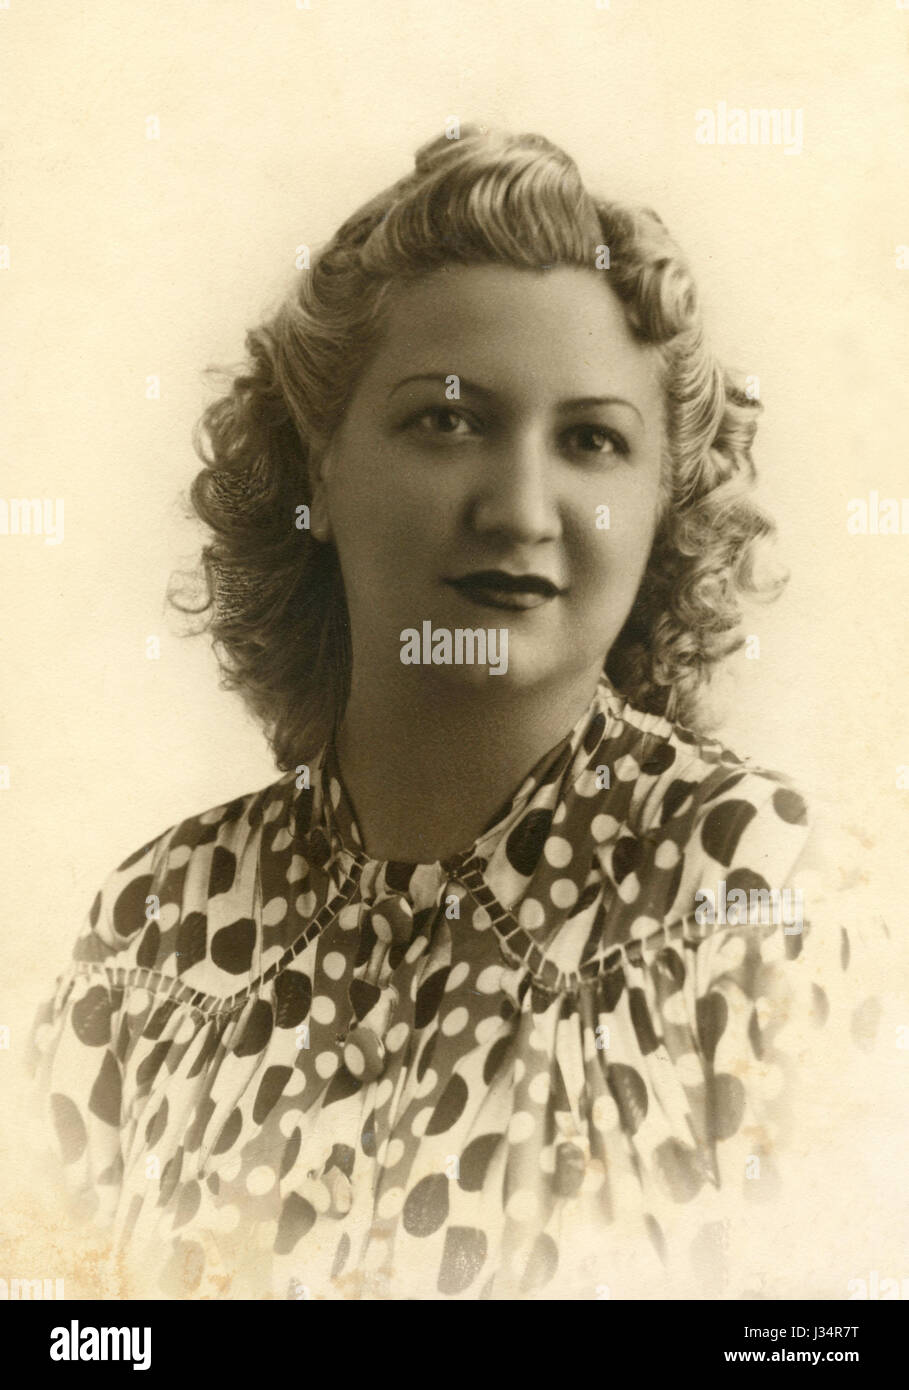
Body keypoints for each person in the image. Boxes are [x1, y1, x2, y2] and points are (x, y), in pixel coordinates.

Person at [28, 126, 884, 1300]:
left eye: (591, 440)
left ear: (659, 501)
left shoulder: (753, 891)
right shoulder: (157, 931)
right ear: (319, 470)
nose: (522, 508)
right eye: (448, 419)